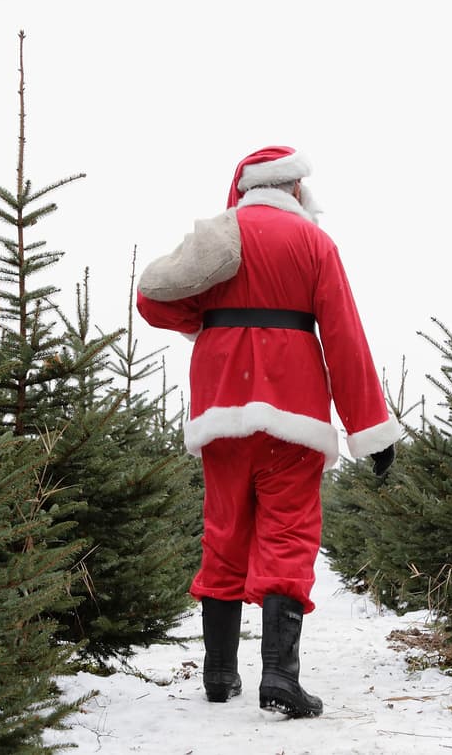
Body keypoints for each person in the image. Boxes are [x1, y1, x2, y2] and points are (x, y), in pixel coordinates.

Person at [135, 145, 400, 718]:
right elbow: (345, 339)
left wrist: (208, 321)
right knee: (289, 531)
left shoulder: (219, 236)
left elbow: (153, 302)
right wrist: (371, 430)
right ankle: (279, 676)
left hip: (221, 406)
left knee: (224, 529)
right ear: (295, 190)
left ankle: (219, 673)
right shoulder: (314, 244)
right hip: (294, 410)